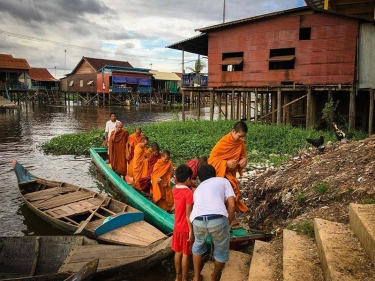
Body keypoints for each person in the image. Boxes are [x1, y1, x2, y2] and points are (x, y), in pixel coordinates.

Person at [190, 164, 235, 281]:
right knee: (221, 251)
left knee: (198, 246)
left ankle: (196, 277)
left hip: (197, 220)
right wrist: (228, 222)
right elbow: (232, 204)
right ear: (215, 173)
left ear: (200, 178)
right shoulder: (223, 181)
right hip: (217, 219)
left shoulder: (198, 189)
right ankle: (214, 276)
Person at [208, 121, 248, 227]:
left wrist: (244, 160)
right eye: (239, 136)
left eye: (242, 137)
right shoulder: (223, 143)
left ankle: (231, 218)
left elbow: (243, 155)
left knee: (232, 195)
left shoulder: (240, 143)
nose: (241, 139)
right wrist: (226, 163)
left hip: (231, 174)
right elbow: (211, 160)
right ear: (233, 131)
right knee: (224, 196)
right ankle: (228, 219)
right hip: (220, 175)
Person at [172, 164, 194, 281]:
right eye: (191, 178)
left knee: (178, 251)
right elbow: (188, 215)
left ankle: (178, 276)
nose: (192, 180)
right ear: (187, 179)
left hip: (177, 226)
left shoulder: (174, 188)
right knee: (186, 253)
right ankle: (185, 279)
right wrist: (191, 230)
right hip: (185, 227)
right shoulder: (189, 193)